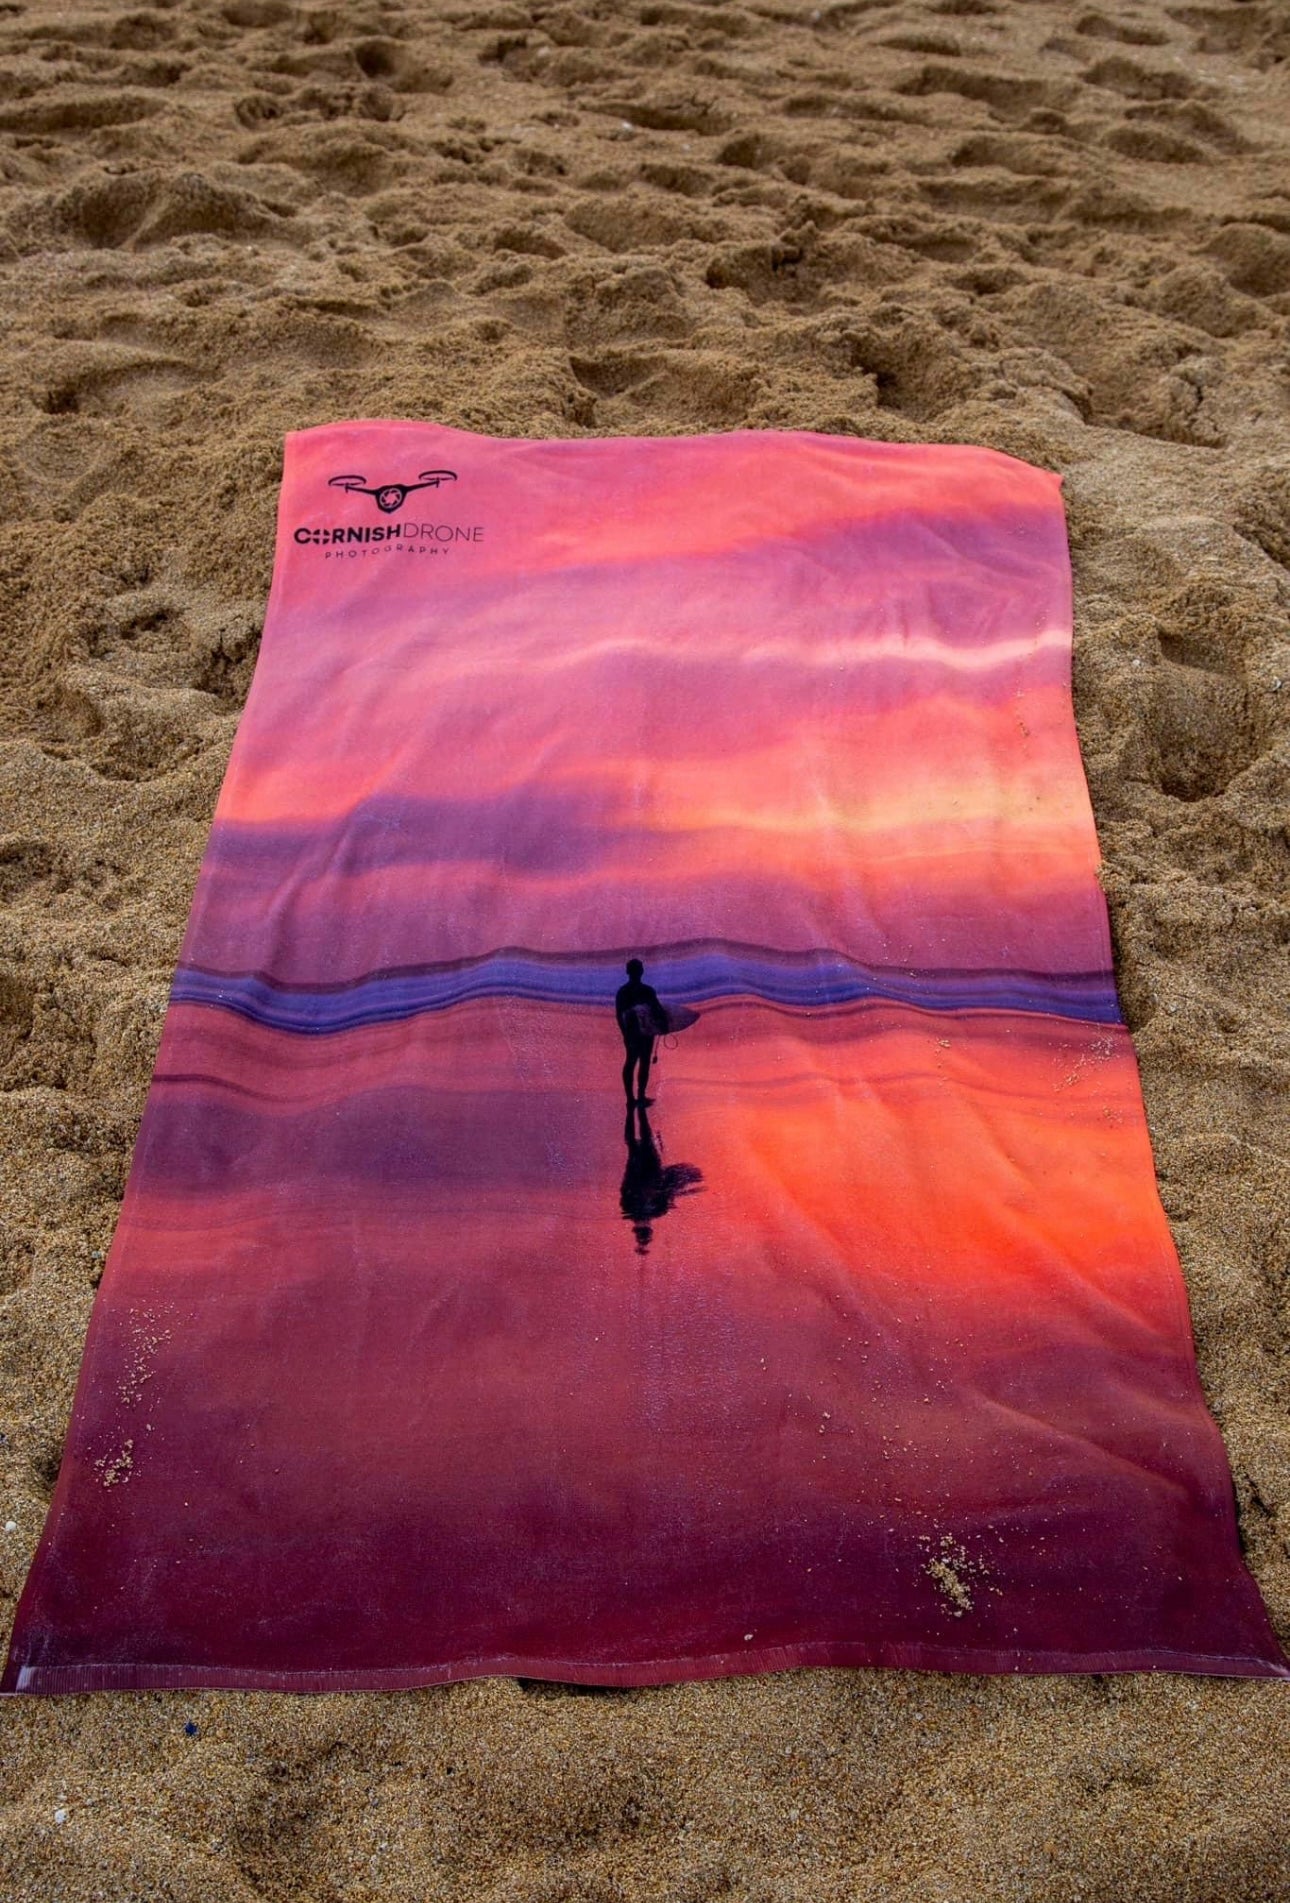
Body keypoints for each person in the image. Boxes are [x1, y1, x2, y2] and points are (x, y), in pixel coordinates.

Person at [615, 957, 665, 1106]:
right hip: (646, 1033)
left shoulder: (623, 992)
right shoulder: (647, 991)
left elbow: (619, 1014)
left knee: (631, 1062)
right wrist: (664, 1024)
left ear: (627, 972)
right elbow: (657, 1010)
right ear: (641, 971)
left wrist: (624, 1033)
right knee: (643, 1062)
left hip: (631, 1033)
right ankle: (640, 1096)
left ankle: (631, 1099)